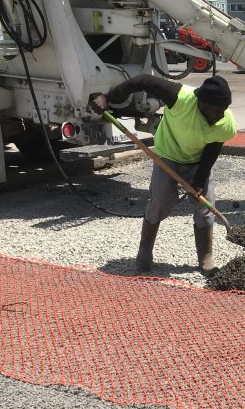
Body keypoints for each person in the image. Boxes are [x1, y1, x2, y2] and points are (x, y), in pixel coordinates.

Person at [90, 74, 236, 275]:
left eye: (225, 109)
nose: (222, 114)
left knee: (205, 206)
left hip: (197, 161)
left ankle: (205, 258)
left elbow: (212, 150)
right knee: (158, 202)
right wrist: (108, 98)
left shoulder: (226, 122)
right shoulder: (180, 97)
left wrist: (200, 180)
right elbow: (143, 81)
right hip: (167, 156)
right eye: (218, 110)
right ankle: (145, 252)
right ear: (203, 103)